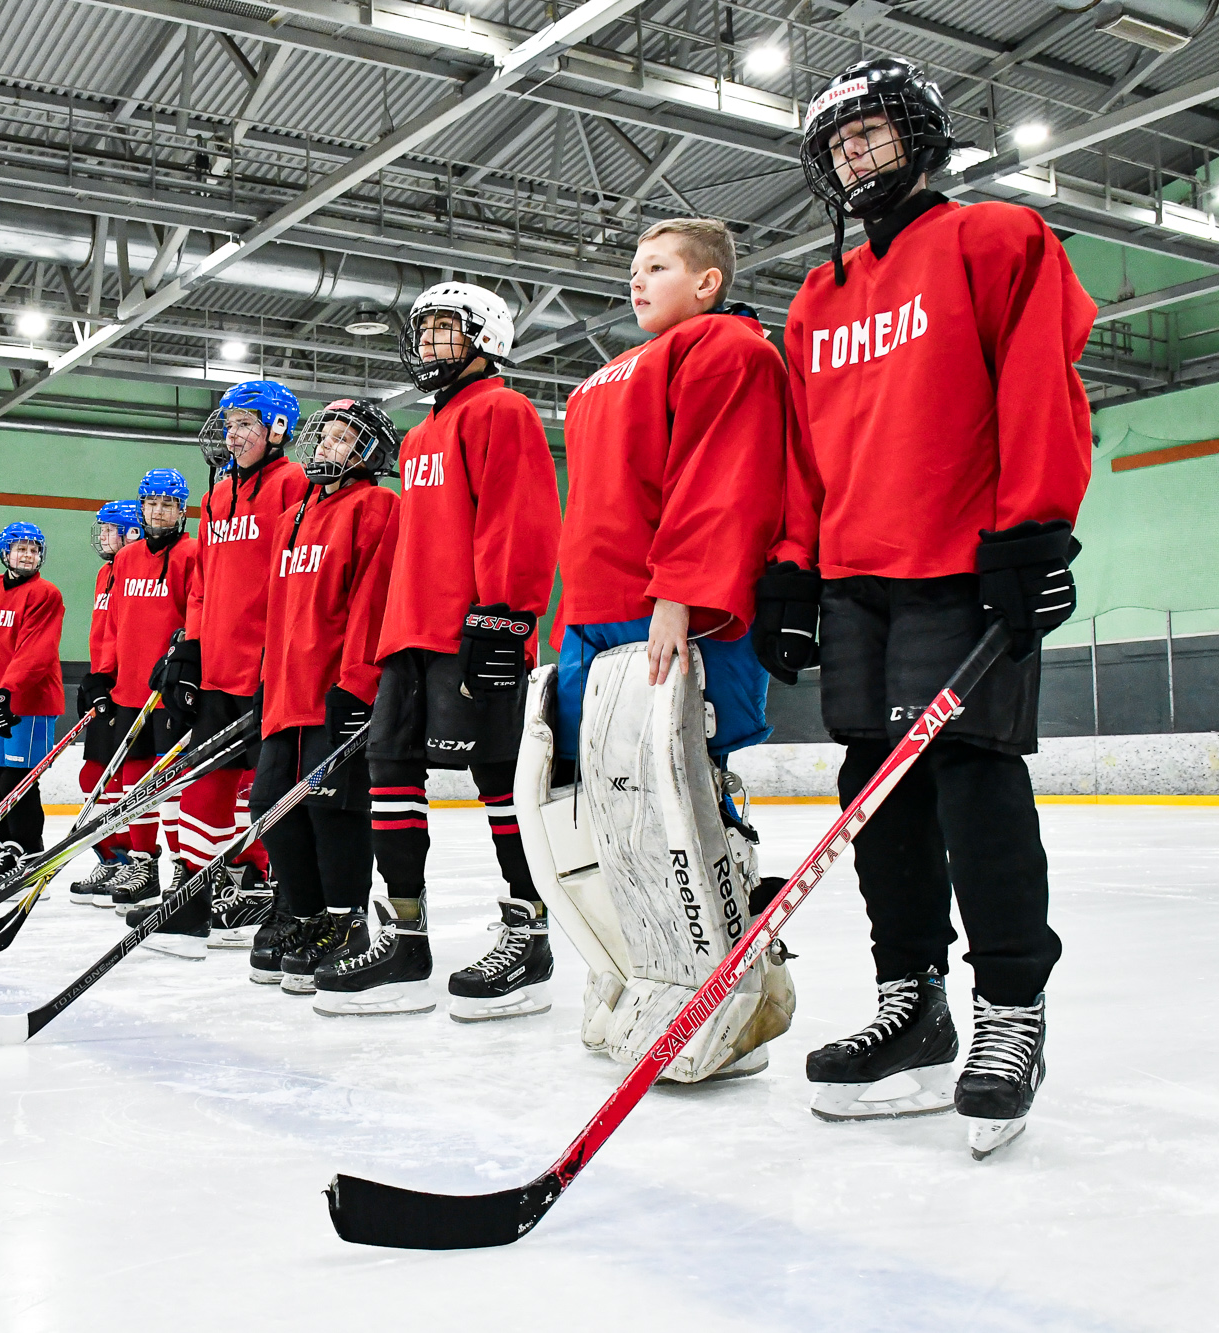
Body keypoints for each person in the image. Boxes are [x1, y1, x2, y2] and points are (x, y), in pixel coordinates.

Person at [762, 57, 1094, 1159]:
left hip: (962, 563)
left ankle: (1008, 1009)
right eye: (837, 145)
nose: (855, 155)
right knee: (874, 788)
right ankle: (913, 1001)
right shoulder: (818, 297)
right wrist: (793, 568)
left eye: (871, 134)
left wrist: (1033, 525)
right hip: (858, 575)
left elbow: (1038, 377)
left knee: (970, 777)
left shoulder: (995, 239)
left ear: (919, 137)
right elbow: (804, 452)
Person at [515, 216, 796, 1066]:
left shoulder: (728, 349)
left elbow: (718, 478)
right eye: (633, 269)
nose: (637, 283)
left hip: (669, 607)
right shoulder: (601, 381)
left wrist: (680, 594)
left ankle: (742, 982)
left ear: (707, 281)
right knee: (598, 801)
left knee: (685, 790)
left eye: (659, 268)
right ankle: (643, 964)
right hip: (593, 612)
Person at [313, 282, 561, 1018]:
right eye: (421, 332)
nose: (426, 344)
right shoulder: (421, 436)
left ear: (485, 337)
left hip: (472, 630)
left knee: (496, 778)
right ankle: (409, 933)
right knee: (390, 776)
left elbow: (519, 519)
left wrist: (507, 618)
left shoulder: (502, 410)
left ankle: (530, 928)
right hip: (409, 636)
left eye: (442, 330)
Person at [145, 379, 307, 954]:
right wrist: (189, 647)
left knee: (272, 791)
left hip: (269, 668)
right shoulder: (216, 495)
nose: (232, 436)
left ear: (278, 429)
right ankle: (193, 895)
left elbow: (295, 578)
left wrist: (279, 654)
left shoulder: (294, 484)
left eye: (245, 425)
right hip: (216, 666)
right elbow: (205, 583)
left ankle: (292, 902)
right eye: (229, 425)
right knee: (203, 783)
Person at [241, 400, 399, 980]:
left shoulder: (378, 506)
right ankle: (303, 912)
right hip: (285, 692)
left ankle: (346, 919)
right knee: (269, 807)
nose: (327, 446)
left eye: (342, 439)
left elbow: (372, 600)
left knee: (334, 809)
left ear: (369, 454)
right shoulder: (293, 517)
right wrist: (264, 676)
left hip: (334, 689)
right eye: (325, 436)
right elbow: (277, 610)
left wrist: (357, 682)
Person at [93, 468, 199, 915]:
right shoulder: (127, 559)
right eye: (152, 503)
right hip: (129, 689)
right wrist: (102, 675)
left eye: (168, 504)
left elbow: (196, 612)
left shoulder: (193, 553)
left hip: (167, 692)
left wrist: (185, 669)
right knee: (132, 782)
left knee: (169, 785)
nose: (159, 511)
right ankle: (141, 863)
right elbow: (114, 624)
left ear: (181, 510)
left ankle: (181, 864)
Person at [0, 522, 65, 863]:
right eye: (22, 549)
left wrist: (4, 690)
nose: (28, 555)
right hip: (0, 699)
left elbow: (36, 652)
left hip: (31, 702)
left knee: (17, 780)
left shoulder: (45, 594)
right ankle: (9, 849)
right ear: (5, 552)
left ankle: (31, 854)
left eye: (34, 550)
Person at [67, 500, 142, 902]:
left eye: (110, 529)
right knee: (93, 777)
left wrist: (111, 677)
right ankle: (113, 857)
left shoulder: (139, 569)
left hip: (128, 688)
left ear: (132, 532)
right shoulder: (104, 573)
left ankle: (135, 861)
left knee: (130, 780)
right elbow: (103, 632)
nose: (102, 537)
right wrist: (93, 678)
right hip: (103, 685)